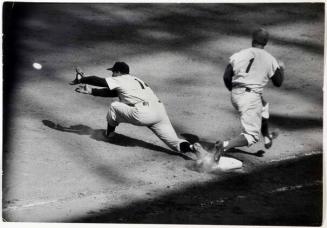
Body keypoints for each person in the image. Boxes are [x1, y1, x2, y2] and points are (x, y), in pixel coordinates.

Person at [70, 61, 204, 158]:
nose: (112, 74)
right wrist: (92, 91)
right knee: (175, 143)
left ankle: (109, 134)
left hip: (143, 113)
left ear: (118, 72)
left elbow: (98, 80)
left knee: (114, 106)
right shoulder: (135, 80)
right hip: (160, 112)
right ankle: (193, 148)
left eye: (113, 72)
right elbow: (115, 93)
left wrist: (82, 79)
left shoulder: (121, 78)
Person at [214, 28, 284, 162]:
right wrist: (282, 69)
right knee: (251, 136)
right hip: (250, 98)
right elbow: (278, 82)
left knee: (263, 107)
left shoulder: (240, 54)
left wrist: (235, 92)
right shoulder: (270, 59)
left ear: (253, 40)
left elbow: (226, 76)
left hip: (236, 94)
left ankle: (267, 137)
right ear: (266, 43)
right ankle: (224, 146)